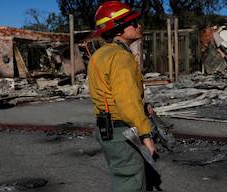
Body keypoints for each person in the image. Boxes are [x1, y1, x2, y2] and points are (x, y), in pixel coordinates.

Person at [87, 1, 157, 191]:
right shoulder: (121, 57)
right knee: (130, 182)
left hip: (106, 129)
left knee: (122, 176)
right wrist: (146, 135)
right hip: (121, 130)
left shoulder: (99, 55)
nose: (139, 26)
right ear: (118, 30)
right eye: (133, 23)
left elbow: (104, 92)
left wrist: (144, 106)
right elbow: (127, 100)